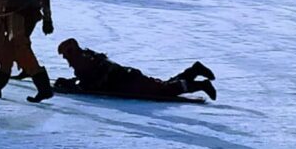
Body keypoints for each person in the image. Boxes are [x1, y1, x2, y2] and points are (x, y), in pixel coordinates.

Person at [54, 38, 216, 101]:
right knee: (162, 86)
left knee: (164, 90)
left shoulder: (81, 61)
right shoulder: (86, 56)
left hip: (127, 82)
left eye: (65, 54)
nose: (65, 58)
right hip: (127, 77)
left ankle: (201, 85)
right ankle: (194, 70)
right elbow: (89, 78)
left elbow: (90, 82)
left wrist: (71, 85)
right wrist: (72, 82)